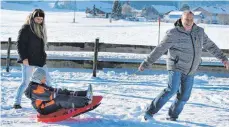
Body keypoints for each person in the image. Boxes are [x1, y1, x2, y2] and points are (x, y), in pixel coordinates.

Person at [138, 10, 229, 121]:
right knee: (172, 89)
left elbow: (211, 46)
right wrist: (146, 62)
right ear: (181, 19)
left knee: (184, 96)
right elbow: (160, 49)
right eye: (186, 19)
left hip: (191, 68)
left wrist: (224, 59)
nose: (189, 21)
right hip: (176, 66)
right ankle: (149, 112)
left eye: (191, 19)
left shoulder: (199, 32)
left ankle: (172, 116)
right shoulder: (173, 33)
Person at [13, 9, 51, 109]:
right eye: (37, 18)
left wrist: (44, 58)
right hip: (28, 60)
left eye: (41, 19)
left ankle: (50, 101)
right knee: (25, 82)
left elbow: (40, 46)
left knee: (48, 81)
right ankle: (16, 102)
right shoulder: (26, 28)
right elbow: (20, 44)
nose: (39, 21)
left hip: (39, 60)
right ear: (33, 18)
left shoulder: (42, 29)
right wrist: (24, 58)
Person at [24, 68, 93, 115]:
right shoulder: (34, 89)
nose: (45, 79)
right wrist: (60, 93)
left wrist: (61, 91)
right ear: (38, 78)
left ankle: (85, 94)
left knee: (65, 92)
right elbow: (49, 96)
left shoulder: (40, 84)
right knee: (60, 99)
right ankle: (85, 101)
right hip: (43, 108)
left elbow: (51, 90)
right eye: (44, 77)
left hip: (46, 103)